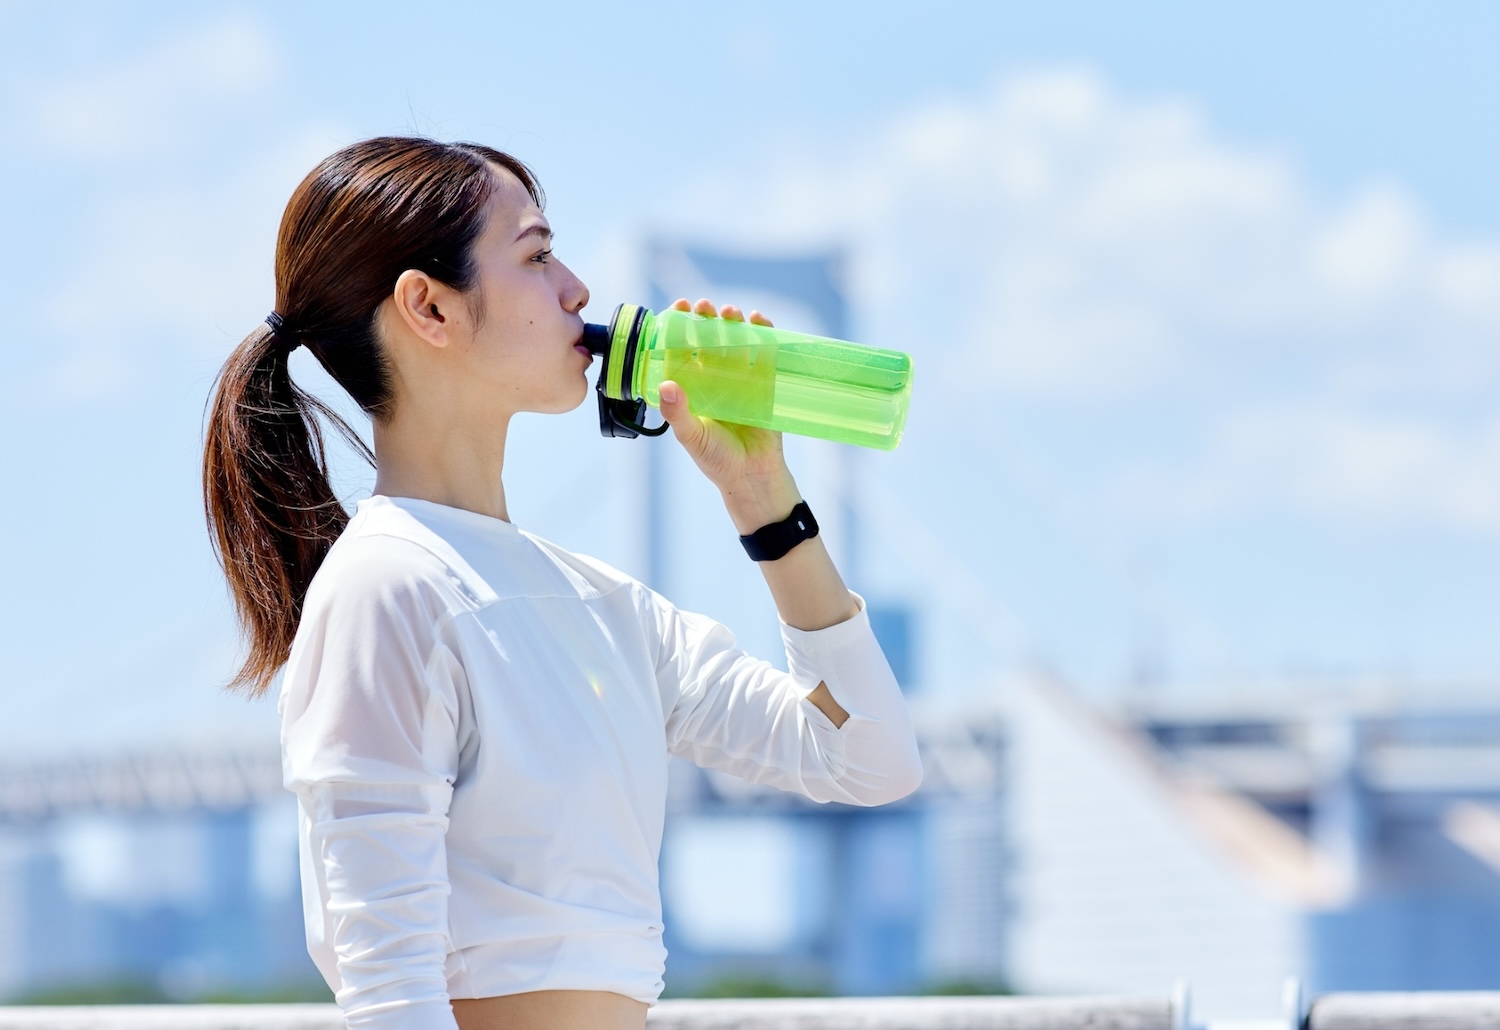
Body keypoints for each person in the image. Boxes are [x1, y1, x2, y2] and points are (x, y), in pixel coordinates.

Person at [202, 136, 922, 1030]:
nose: (579, 289)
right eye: (538, 256)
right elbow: (390, 994)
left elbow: (871, 762)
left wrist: (761, 495)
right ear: (428, 307)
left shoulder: (603, 606)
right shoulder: (385, 589)